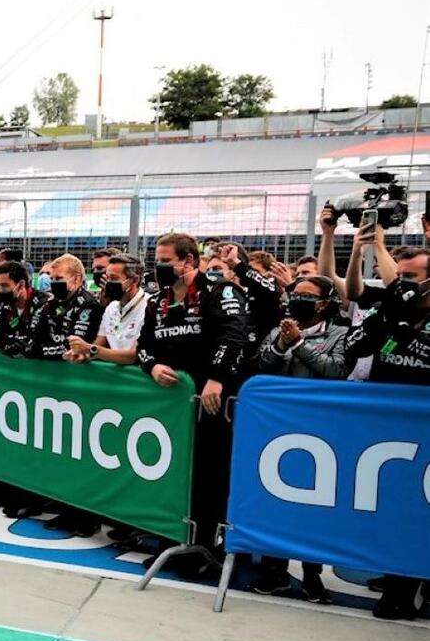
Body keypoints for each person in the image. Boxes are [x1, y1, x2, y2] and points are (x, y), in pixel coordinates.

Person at [137, 233, 249, 556]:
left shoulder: (219, 290)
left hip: (213, 406)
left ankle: (208, 547)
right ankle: (172, 540)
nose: (159, 267)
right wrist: (153, 366)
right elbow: (144, 347)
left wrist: (216, 377)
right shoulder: (158, 301)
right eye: (157, 260)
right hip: (172, 411)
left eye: (166, 261)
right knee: (172, 472)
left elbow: (234, 333)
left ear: (188, 261)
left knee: (209, 477)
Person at [248, 274, 349, 603]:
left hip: (321, 434)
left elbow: (336, 371)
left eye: (308, 295)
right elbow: (260, 366)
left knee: (314, 510)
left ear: (324, 303)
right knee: (275, 504)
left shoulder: (340, 334)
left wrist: (298, 346)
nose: (299, 300)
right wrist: (280, 345)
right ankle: (275, 570)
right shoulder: (279, 330)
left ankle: (311, 574)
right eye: (296, 294)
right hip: (275, 432)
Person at [343, 246, 430, 619]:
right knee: (391, 504)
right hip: (384, 432)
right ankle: (396, 574)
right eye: (401, 275)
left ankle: (410, 585)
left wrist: (407, 332)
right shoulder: (387, 309)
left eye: (412, 277)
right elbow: (354, 347)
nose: (404, 285)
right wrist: (387, 321)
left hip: (423, 430)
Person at [66, 253, 149, 365]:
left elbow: (133, 356)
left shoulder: (149, 306)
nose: (108, 283)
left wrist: (90, 349)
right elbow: (99, 343)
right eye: (108, 277)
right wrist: (82, 354)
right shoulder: (111, 308)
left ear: (134, 280)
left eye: (114, 278)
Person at [27, 254, 102, 360]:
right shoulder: (51, 301)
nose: (54, 283)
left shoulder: (88, 305)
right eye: (52, 279)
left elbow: (74, 347)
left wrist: (39, 351)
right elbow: (37, 336)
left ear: (76, 279)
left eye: (59, 278)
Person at [0, 260, 46, 358]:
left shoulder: (43, 304)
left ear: (21, 285)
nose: (0, 290)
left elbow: (30, 345)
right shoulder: (5, 304)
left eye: (5, 286)